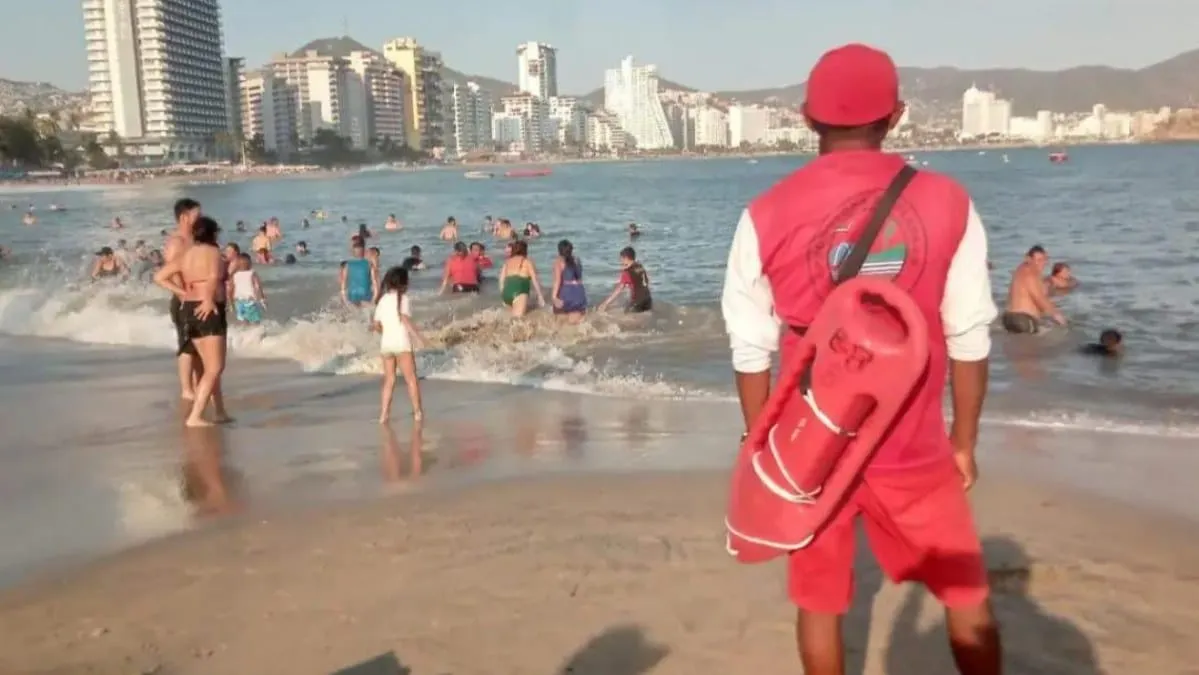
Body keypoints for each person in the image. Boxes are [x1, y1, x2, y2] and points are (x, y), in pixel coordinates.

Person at [719, 44, 1001, 675]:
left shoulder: (763, 215)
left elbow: (750, 348)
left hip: (811, 448)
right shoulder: (949, 202)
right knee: (965, 596)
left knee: (820, 607)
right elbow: (970, 336)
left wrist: (765, 448)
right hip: (917, 449)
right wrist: (964, 441)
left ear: (805, 117)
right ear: (897, 116)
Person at [154, 216, 232, 427]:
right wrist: (207, 299)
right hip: (208, 308)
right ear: (212, 233)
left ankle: (220, 411)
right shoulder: (213, 252)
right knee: (215, 367)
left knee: (209, 367)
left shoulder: (186, 254)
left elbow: (159, 277)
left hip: (189, 307)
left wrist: (182, 292)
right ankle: (195, 416)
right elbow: (214, 276)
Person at [373, 266, 426, 423]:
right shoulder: (404, 299)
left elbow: (376, 325)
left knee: (389, 380)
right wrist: (419, 337)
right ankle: (417, 412)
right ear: (404, 283)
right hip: (401, 343)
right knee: (411, 379)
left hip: (386, 344)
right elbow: (405, 319)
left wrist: (385, 332)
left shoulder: (382, 300)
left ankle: (383, 415)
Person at [164, 198, 203, 401]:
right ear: (184, 217)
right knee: (187, 345)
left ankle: (198, 384)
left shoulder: (195, 239)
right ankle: (186, 389)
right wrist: (183, 295)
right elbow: (168, 274)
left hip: (200, 298)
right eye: (197, 214)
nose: (201, 217)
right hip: (184, 301)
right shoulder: (177, 242)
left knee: (199, 344)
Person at [1003, 245, 1066, 334]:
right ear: (1029, 259)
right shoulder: (1031, 273)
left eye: (1044, 260)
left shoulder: (1020, 269)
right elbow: (1039, 297)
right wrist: (1057, 315)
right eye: (1038, 260)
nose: (1041, 263)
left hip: (1008, 318)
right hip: (1023, 319)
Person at [498, 240, 546, 316]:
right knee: (518, 321)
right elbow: (535, 280)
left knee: (511, 321)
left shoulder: (507, 262)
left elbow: (501, 281)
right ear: (525, 250)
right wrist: (540, 296)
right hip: (519, 292)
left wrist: (503, 295)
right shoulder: (527, 262)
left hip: (506, 293)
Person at [598, 246, 652, 313]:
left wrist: (606, 303)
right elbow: (647, 281)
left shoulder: (627, 272)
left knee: (626, 315)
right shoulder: (640, 266)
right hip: (648, 300)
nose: (621, 261)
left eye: (621, 259)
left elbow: (619, 289)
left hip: (637, 302)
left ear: (625, 258)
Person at [551, 239, 588, 321]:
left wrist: (554, 297)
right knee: (575, 323)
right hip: (579, 293)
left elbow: (557, 281)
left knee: (560, 321)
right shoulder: (577, 260)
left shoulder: (558, 261)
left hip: (567, 293)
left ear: (559, 250)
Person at [228, 253, 266, 324]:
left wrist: (231, 303)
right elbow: (258, 286)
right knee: (255, 321)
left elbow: (230, 290)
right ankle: (255, 333)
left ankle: (246, 334)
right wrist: (262, 298)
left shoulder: (235, 275)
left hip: (240, 302)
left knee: (245, 321)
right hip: (248, 302)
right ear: (250, 263)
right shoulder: (252, 273)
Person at [340, 237, 378, 306]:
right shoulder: (370, 264)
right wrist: (373, 301)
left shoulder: (347, 265)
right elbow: (375, 286)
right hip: (366, 296)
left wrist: (346, 302)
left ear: (352, 249)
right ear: (364, 249)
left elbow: (343, 288)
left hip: (352, 297)